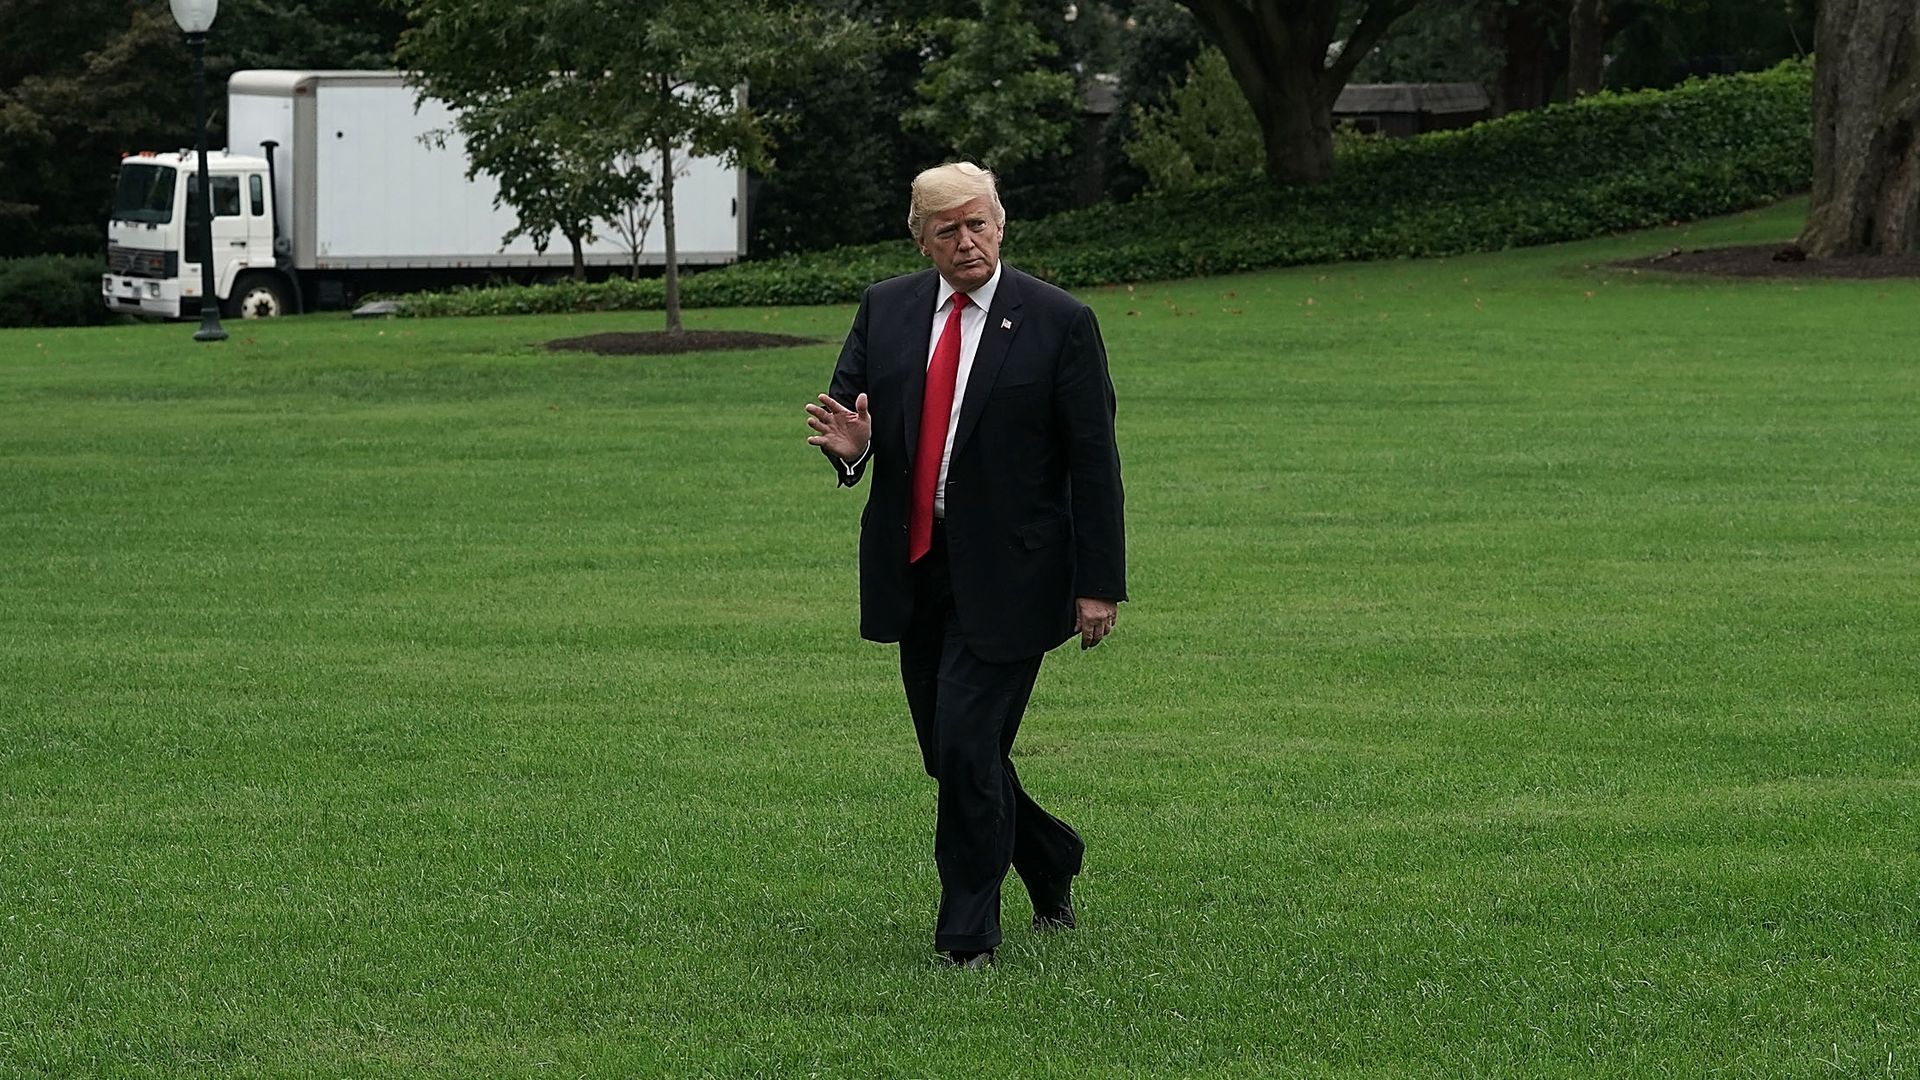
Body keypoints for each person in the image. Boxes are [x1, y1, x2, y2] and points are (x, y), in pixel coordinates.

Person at [804, 161, 1127, 968]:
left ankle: (967, 934)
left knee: (967, 747)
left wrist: (1098, 584)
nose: (966, 240)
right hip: (916, 565)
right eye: (946, 228)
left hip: (1017, 574)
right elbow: (854, 416)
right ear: (921, 239)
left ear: (1001, 224)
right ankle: (1050, 856)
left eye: (977, 222)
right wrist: (855, 449)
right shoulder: (887, 308)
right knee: (950, 751)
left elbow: (1094, 462)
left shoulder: (1058, 320)